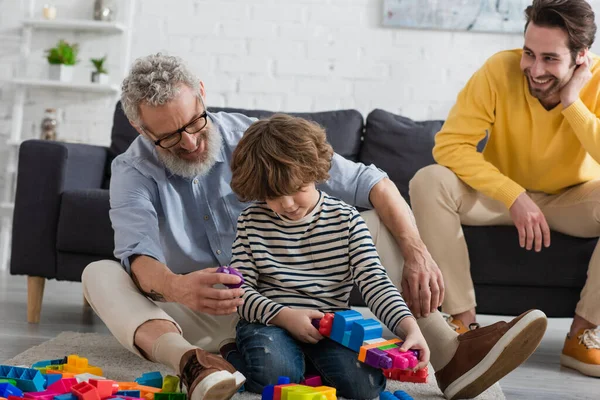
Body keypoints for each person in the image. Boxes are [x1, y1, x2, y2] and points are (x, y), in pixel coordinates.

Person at [81, 52, 547, 400]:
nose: (189, 142)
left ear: (202, 94)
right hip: (196, 309)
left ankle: (447, 352)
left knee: (377, 223)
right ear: (142, 130)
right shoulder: (132, 170)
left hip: (293, 303)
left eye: (195, 123)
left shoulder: (258, 139)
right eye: (168, 136)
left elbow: (372, 182)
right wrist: (179, 287)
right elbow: (138, 254)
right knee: (100, 274)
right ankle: (194, 364)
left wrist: (419, 252)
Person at [409, 0, 600, 378]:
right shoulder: (499, 69)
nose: (534, 68)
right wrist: (513, 194)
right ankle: (463, 330)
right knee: (428, 180)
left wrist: (572, 102)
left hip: (574, 200)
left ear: (581, 58)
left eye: (550, 58)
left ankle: (584, 334)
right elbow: (450, 145)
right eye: (529, 53)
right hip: (502, 198)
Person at [224, 114, 428, 399]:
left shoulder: (346, 220)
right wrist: (284, 316)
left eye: (298, 190)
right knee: (276, 376)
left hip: (331, 327)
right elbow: (241, 292)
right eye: (272, 196)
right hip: (272, 323)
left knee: (366, 387)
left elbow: (375, 283)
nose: (287, 204)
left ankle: (307, 366)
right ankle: (232, 354)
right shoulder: (251, 222)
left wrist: (410, 328)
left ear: (315, 173)